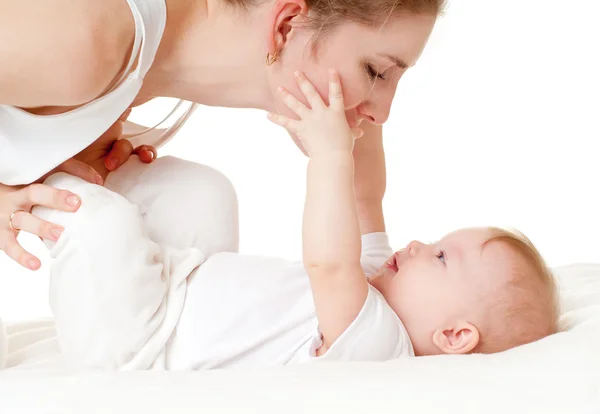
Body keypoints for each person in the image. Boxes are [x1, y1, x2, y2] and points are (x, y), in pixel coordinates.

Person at [32, 73, 559, 370]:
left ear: (454, 336)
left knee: (101, 223)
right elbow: (364, 196)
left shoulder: (379, 349)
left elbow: (329, 264)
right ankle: (87, 161)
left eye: (442, 257)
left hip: (136, 345)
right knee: (206, 193)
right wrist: (359, 114)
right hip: (170, 287)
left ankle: (29, 173)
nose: (420, 243)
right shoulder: (380, 286)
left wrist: (328, 155)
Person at [0, 0, 443, 270]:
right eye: (376, 71)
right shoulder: (87, 42)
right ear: (287, 24)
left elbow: (361, 198)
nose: (382, 111)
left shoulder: (152, 49)